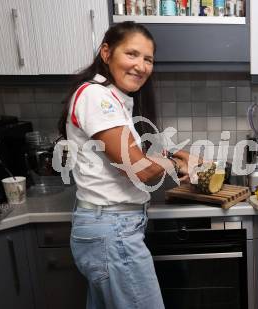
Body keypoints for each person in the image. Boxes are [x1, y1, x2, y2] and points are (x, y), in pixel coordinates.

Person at [58, 21, 192, 309]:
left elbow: (128, 149)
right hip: (113, 230)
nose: (141, 66)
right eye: (131, 54)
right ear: (106, 52)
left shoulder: (111, 97)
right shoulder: (97, 97)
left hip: (112, 228)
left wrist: (176, 155)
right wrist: (171, 162)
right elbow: (138, 169)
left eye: (148, 59)